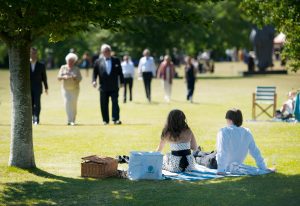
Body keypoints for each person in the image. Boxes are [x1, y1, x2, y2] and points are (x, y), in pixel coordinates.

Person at [216, 109, 274, 175]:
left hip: (219, 164)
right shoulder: (247, 132)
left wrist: (221, 169)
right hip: (236, 164)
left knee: (204, 157)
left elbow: (222, 151)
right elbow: (255, 151)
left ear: (230, 120)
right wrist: (263, 167)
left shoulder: (224, 131)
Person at [92, 44, 124, 125]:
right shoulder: (98, 61)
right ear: (102, 52)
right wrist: (94, 81)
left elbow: (120, 72)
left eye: (108, 51)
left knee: (115, 102)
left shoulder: (116, 60)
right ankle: (105, 120)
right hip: (103, 87)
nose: (106, 52)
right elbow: (94, 73)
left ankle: (115, 119)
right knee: (103, 104)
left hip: (114, 86)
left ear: (110, 51)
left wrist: (122, 82)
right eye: (105, 51)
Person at [57, 53, 82, 126]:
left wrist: (75, 78)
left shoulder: (76, 69)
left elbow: (80, 78)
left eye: (72, 61)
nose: (70, 62)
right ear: (66, 61)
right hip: (65, 89)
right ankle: (69, 120)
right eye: (69, 61)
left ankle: (73, 120)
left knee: (73, 104)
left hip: (75, 89)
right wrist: (63, 77)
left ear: (74, 61)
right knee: (67, 103)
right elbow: (58, 77)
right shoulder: (63, 67)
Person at [30, 47, 48, 125]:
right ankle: (32, 117)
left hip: (38, 88)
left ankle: (36, 118)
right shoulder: (25, 64)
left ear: (37, 54)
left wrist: (46, 87)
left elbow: (44, 77)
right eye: (31, 53)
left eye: (34, 53)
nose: (33, 55)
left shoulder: (41, 65)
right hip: (28, 88)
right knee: (30, 104)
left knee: (37, 104)